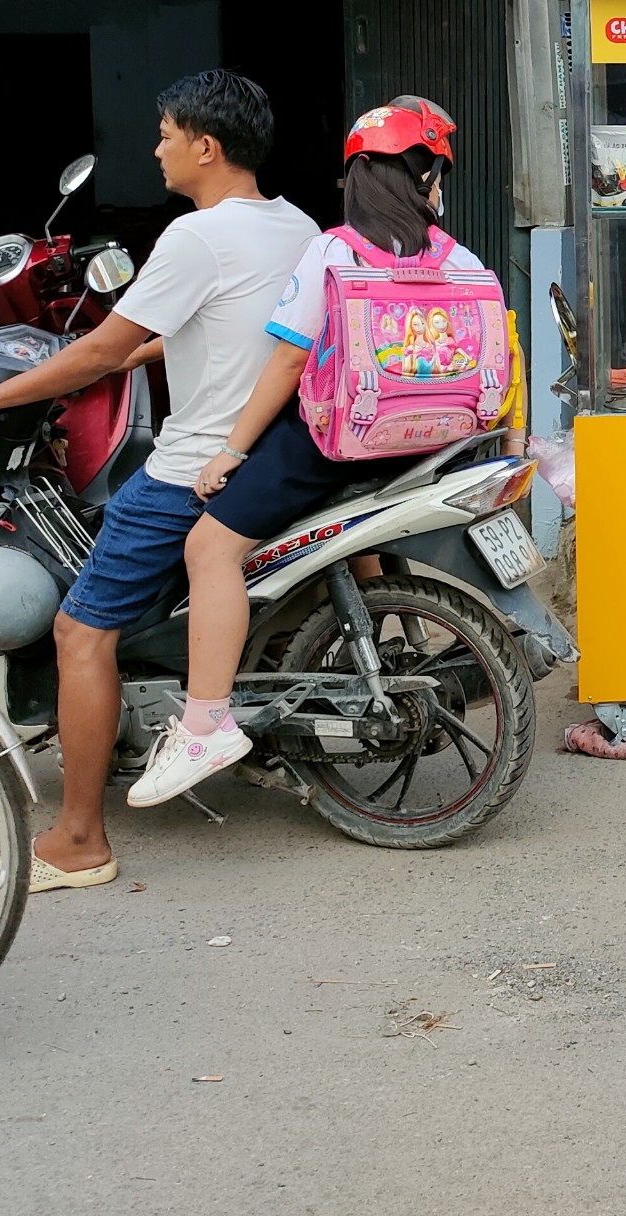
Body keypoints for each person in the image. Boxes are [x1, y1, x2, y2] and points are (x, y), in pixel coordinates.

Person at [0, 72, 314, 894]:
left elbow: (103, 347)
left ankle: (77, 839)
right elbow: (228, 329)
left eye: (163, 134)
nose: (155, 150)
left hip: (195, 467)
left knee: (81, 633)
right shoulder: (294, 225)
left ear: (205, 147)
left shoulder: (196, 237)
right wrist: (133, 353)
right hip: (275, 455)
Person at [135, 97, 478, 807]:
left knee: (209, 550)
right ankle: (365, 646)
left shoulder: (335, 250)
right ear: (423, 181)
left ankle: (204, 724)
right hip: (418, 444)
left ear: (357, 177)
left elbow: (289, 364)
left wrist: (231, 450)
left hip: (339, 443)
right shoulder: (455, 255)